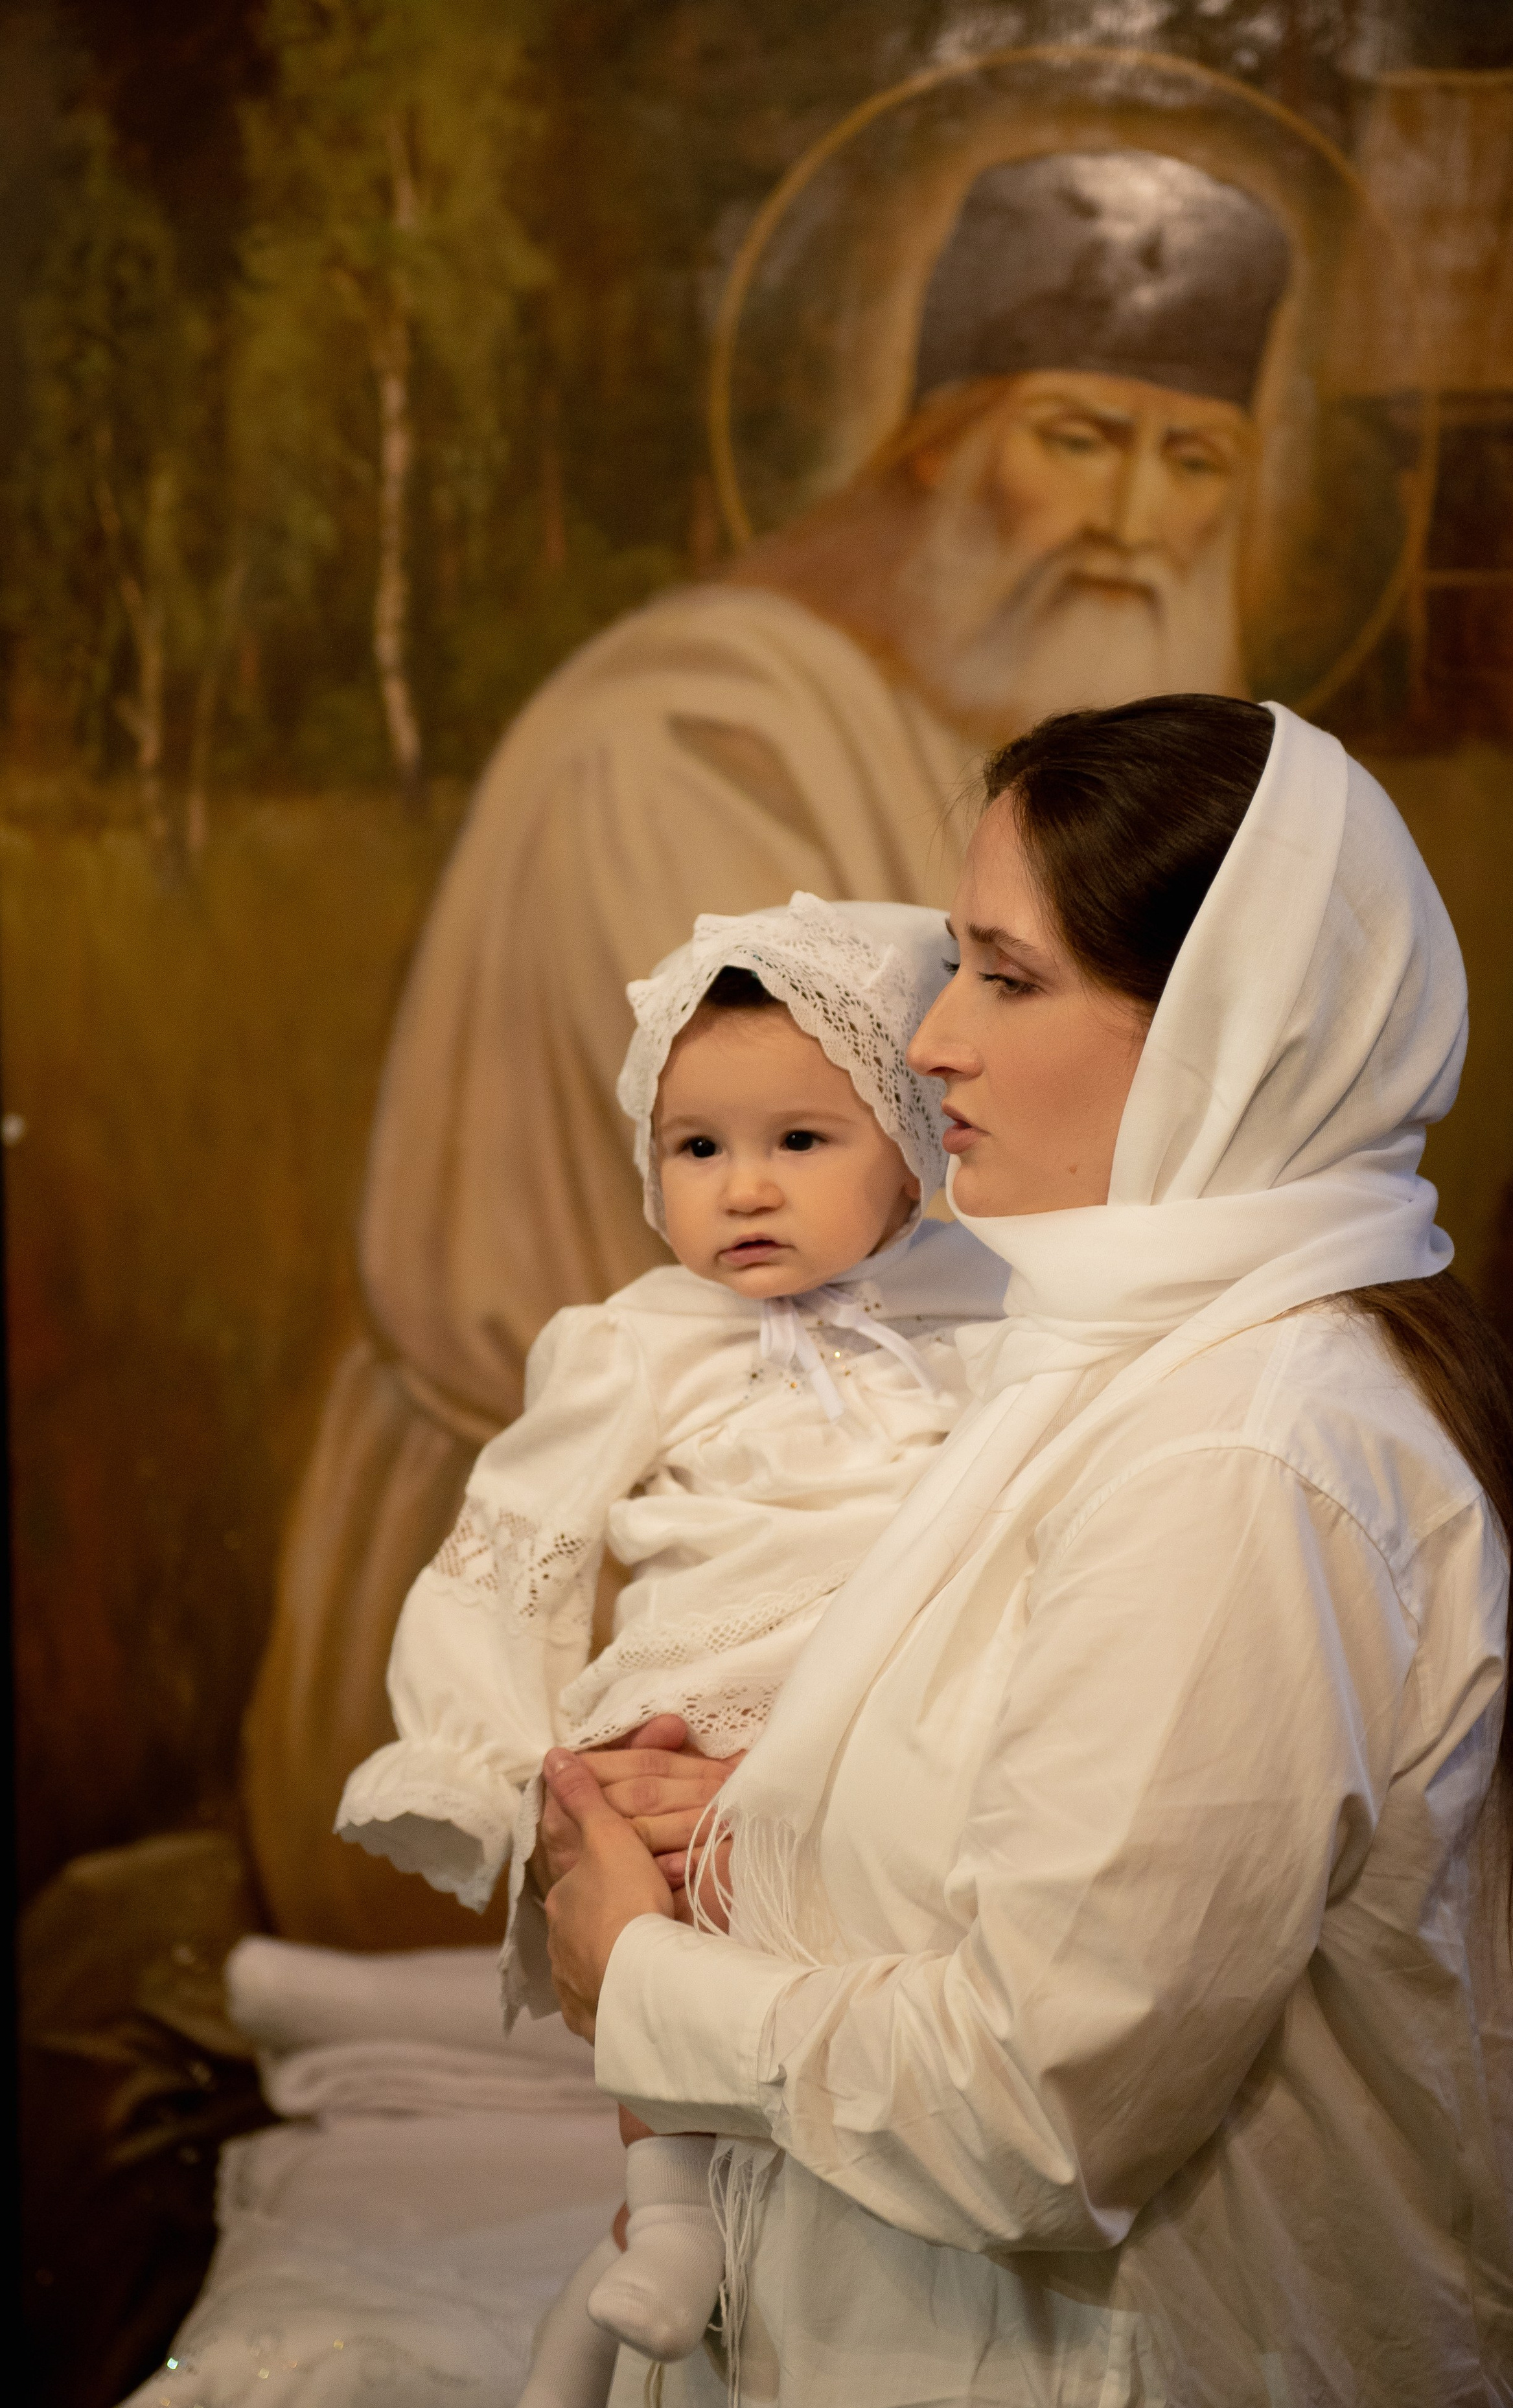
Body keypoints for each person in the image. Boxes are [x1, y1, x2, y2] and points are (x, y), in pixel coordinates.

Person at [535, 696, 1513, 2408]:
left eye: (1003, 973)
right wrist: (752, 1820)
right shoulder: (1122, 1369)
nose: (932, 1036)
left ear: (1218, 1027)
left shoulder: (1240, 1451)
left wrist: (641, 1977)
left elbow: (1043, 2102)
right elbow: (1056, 1854)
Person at [244, 147, 1295, 1952]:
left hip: (886, 1589)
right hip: (618, 1588)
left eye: (1191, 457)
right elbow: (801, 1233)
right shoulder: (686, 740)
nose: (1133, 513)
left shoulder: (988, 767)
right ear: (933, 445)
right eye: (1075, 435)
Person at [333, 895, 1006, 2408]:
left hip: (879, 1706)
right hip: (698, 1694)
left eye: (796, 1136)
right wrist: (483, 1752)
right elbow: (517, 1546)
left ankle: (623, 2285)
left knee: (817, 2004)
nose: (744, 1185)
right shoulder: (635, 1342)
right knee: (650, 1914)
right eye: (694, 1147)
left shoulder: (992, 1321)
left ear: (915, 1147)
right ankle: (662, 2199)